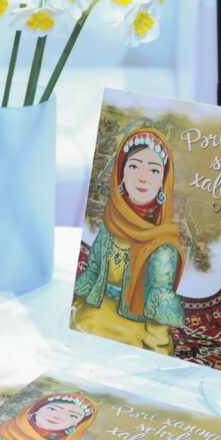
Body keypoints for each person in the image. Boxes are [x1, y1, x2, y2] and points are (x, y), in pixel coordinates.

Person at [72, 128, 185, 354]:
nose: (142, 178)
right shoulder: (110, 224)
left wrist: (154, 353)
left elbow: (158, 314)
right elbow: (93, 272)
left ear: (163, 182)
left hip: (134, 331)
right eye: (134, 166)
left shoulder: (163, 246)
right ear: (121, 174)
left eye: (154, 170)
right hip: (93, 314)